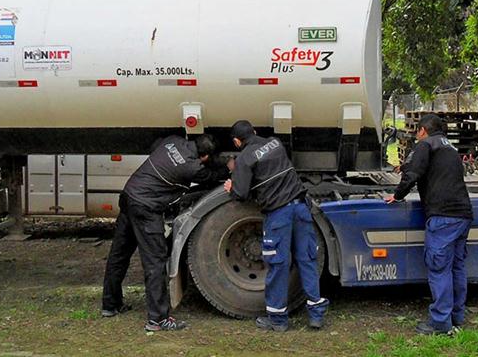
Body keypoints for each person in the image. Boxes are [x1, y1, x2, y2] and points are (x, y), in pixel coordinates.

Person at [102, 134, 230, 331]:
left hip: (129, 196)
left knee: (119, 255)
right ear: (205, 157)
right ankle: (158, 319)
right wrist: (229, 167)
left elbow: (155, 147)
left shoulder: (172, 141)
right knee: (155, 262)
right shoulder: (191, 168)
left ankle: (110, 305)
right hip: (146, 208)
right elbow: (211, 177)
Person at [224, 120, 329, 332]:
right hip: (301, 208)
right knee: (307, 259)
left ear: (237, 142)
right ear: (254, 131)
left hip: (279, 214)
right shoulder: (275, 143)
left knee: (278, 264)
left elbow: (241, 194)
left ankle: (278, 320)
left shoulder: (245, 158)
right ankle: (316, 315)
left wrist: (231, 184)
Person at [385, 114, 473, 335]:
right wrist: (407, 166)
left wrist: (397, 195)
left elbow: (413, 174)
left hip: (442, 216)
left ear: (423, 130)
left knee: (439, 268)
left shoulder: (425, 145)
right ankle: (456, 317)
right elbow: (433, 169)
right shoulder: (449, 147)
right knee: (456, 267)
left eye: (417, 132)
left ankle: (440, 323)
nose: (417, 136)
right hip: (463, 214)